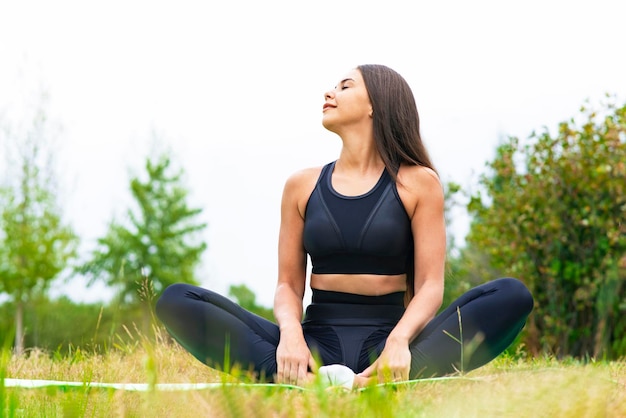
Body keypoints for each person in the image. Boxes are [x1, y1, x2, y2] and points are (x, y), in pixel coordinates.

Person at [155, 64, 534, 388]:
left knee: (512, 295)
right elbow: (288, 285)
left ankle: (384, 376)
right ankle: (302, 377)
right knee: (176, 299)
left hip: (391, 345)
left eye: (344, 86)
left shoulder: (419, 183)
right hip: (314, 344)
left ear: (375, 106)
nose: (330, 92)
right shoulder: (301, 186)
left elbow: (431, 287)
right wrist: (290, 336)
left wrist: (399, 341)